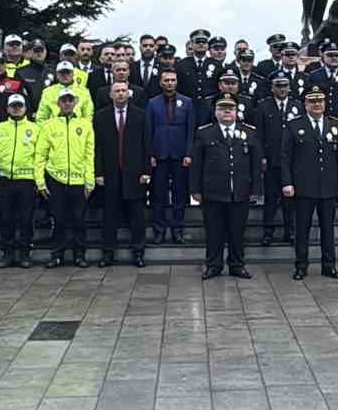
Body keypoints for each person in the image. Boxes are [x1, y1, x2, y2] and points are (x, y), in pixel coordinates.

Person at [281, 82, 338, 281]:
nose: (317, 104)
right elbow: (285, 157)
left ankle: (329, 266)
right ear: (305, 104)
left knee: (328, 229)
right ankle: (301, 266)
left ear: (325, 103)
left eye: (320, 101)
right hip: (303, 187)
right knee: (302, 230)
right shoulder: (294, 125)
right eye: (312, 101)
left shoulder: (335, 125)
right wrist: (287, 182)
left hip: (328, 186)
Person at [190, 96, 263, 279]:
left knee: (237, 232)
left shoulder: (249, 132)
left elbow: (256, 165)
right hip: (213, 192)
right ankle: (213, 265)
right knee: (214, 231)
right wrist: (195, 190)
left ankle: (237, 265)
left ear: (237, 112)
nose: (227, 111)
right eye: (222, 108)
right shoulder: (205, 133)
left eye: (231, 108)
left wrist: (255, 189)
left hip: (240, 191)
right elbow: (196, 164)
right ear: (215, 113)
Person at [36, 89, 95, 268]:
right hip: (56, 179)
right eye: (64, 100)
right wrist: (40, 181)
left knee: (79, 220)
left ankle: (79, 255)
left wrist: (89, 180)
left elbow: (89, 154)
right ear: (58, 103)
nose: (67, 103)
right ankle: (56, 255)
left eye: (70, 100)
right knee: (58, 220)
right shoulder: (48, 125)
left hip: (78, 180)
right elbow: (40, 155)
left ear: (75, 102)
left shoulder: (85, 124)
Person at [94, 80, 151, 268]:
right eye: (116, 91)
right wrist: (98, 172)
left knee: (137, 216)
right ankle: (108, 253)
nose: (120, 94)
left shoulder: (141, 115)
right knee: (109, 216)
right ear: (110, 95)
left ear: (129, 93)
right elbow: (97, 148)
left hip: (134, 173)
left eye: (123, 90)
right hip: (110, 174)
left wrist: (146, 171)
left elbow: (146, 145)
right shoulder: (100, 116)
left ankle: (138, 252)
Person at [146, 67, 195, 245]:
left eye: (173, 80)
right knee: (158, 196)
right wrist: (150, 153)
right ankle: (159, 231)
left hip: (180, 155)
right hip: (159, 155)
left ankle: (178, 231)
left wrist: (189, 153)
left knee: (179, 196)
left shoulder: (187, 102)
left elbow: (191, 130)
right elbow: (148, 130)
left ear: (177, 82)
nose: (170, 83)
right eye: (166, 80)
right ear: (161, 82)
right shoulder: (152, 103)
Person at [0, 93, 39, 268]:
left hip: (26, 180)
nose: (17, 108)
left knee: (26, 219)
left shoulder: (35, 128)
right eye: (14, 106)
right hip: (5, 180)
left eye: (20, 105)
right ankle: (8, 254)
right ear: (7, 108)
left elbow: (39, 157)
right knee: (6, 219)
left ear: (25, 108)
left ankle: (25, 254)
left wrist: (38, 181)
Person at [255, 74, 302, 247]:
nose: (282, 89)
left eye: (285, 86)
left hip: (292, 161)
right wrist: (262, 157)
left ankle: (289, 231)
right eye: (278, 86)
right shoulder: (263, 106)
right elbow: (258, 135)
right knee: (271, 198)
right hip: (272, 160)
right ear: (272, 87)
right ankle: (268, 232)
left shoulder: (298, 106)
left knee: (290, 199)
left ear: (289, 87)